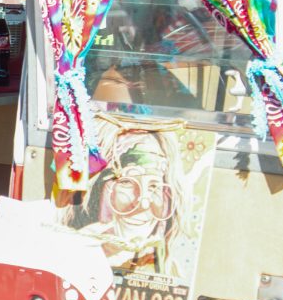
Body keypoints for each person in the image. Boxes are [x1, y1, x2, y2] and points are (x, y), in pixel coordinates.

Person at [62, 117, 189, 277]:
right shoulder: (69, 254)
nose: (143, 203)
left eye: (154, 186)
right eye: (127, 182)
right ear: (98, 190)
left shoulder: (170, 270)